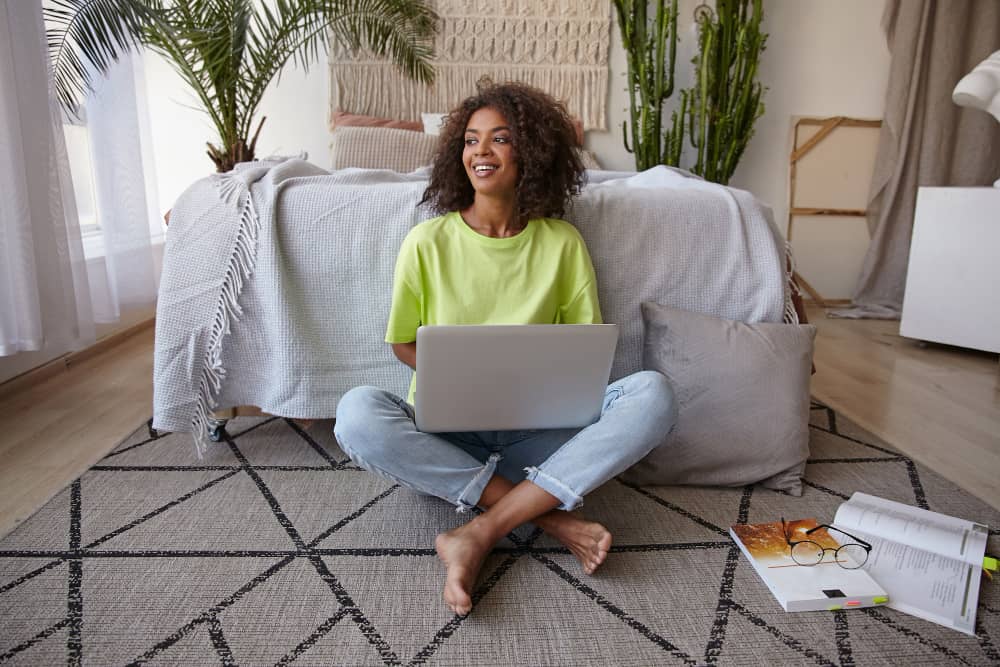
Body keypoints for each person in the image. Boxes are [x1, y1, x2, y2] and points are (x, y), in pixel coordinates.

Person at [334, 80, 676, 616]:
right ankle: (548, 516)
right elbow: (402, 342)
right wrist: (459, 380)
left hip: (541, 436)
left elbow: (584, 351)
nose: (481, 152)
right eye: (471, 141)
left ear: (532, 153)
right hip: (449, 435)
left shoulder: (562, 242)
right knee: (356, 414)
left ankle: (478, 531)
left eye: (499, 139)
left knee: (653, 393)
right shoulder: (427, 242)